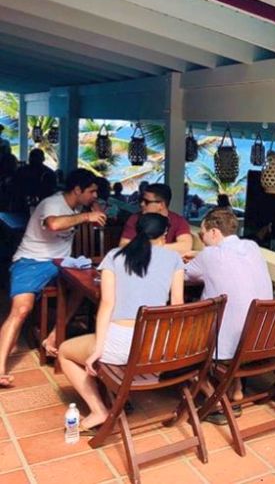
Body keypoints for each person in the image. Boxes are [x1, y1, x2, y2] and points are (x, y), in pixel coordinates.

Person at [57, 213, 184, 431]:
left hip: (120, 346)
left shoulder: (115, 256)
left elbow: (106, 304)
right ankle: (115, 397)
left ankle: (98, 410)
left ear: (137, 231)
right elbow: (178, 305)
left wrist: (98, 349)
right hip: (155, 348)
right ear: (164, 234)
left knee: (64, 351)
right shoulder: (174, 259)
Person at [0, 169, 105, 387]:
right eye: (92, 191)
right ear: (77, 190)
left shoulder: (78, 206)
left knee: (83, 287)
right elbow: (53, 225)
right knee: (21, 309)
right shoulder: (52, 203)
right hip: (31, 261)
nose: (95, 195)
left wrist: (93, 209)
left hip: (61, 264)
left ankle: (53, 337)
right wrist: (87, 216)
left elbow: (99, 215)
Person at [184, 207, 272, 418]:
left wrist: (194, 258)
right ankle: (237, 388)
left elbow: (183, 275)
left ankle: (215, 400)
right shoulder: (252, 246)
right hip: (261, 340)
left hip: (230, 345)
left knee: (185, 341)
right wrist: (201, 255)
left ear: (214, 232)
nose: (202, 240)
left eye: (202, 234)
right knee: (233, 317)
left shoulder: (210, 254)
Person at [119, 183, 192, 255]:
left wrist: (152, 248)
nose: (142, 204)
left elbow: (185, 246)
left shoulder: (178, 221)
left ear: (161, 205)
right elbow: (124, 245)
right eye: (141, 200)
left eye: (147, 202)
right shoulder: (135, 219)